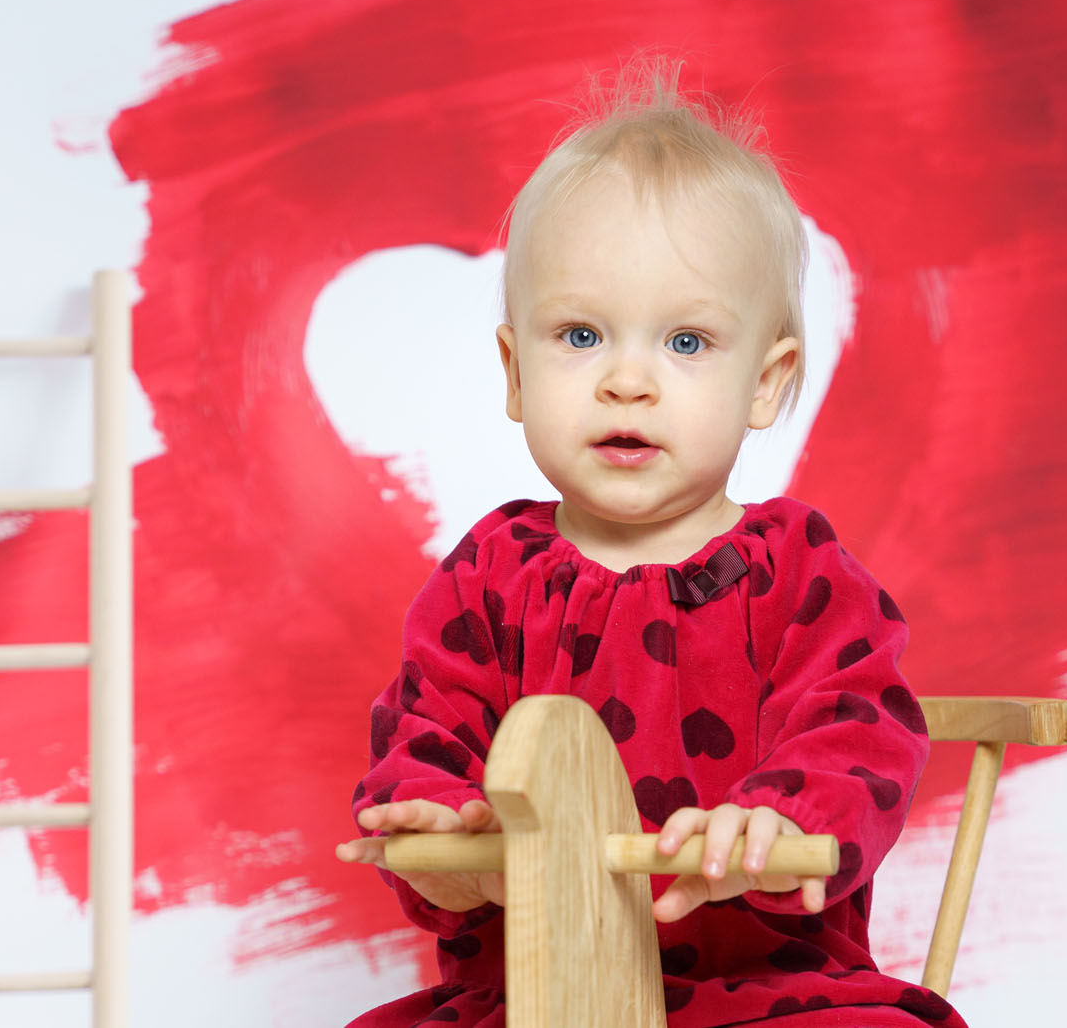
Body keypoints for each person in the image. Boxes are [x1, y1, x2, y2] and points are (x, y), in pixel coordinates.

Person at [343, 64, 960, 1027]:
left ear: (766, 382)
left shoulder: (798, 575)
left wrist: (775, 822)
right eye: (580, 335)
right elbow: (424, 736)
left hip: (766, 994)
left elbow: (862, 728)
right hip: (535, 996)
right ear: (515, 371)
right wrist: (448, 839)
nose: (626, 381)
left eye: (685, 343)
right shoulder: (488, 578)